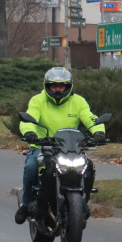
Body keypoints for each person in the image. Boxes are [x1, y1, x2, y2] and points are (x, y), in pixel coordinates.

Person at [14, 67, 107, 224]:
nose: (58, 89)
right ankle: (26, 204)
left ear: (68, 86)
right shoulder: (38, 100)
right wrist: (30, 133)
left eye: (61, 86)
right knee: (31, 167)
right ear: (47, 86)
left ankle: (83, 203)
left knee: (88, 166)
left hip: (71, 148)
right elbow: (28, 119)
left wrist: (99, 132)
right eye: (54, 86)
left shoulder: (78, 101)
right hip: (43, 147)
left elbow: (90, 118)